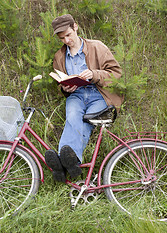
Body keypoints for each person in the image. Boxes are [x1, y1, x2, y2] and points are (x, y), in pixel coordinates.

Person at [45, 14, 123, 182]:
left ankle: (63, 164)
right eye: (62, 38)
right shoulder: (59, 57)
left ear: (76, 27)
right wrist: (65, 88)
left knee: (87, 120)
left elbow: (116, 74)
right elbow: (61, 83)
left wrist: (94, 74)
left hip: (99, 94)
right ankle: (69, 163)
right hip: (76, 95)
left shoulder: (97, 47)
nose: (66, 40)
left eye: (68, 35)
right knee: (73, 117)